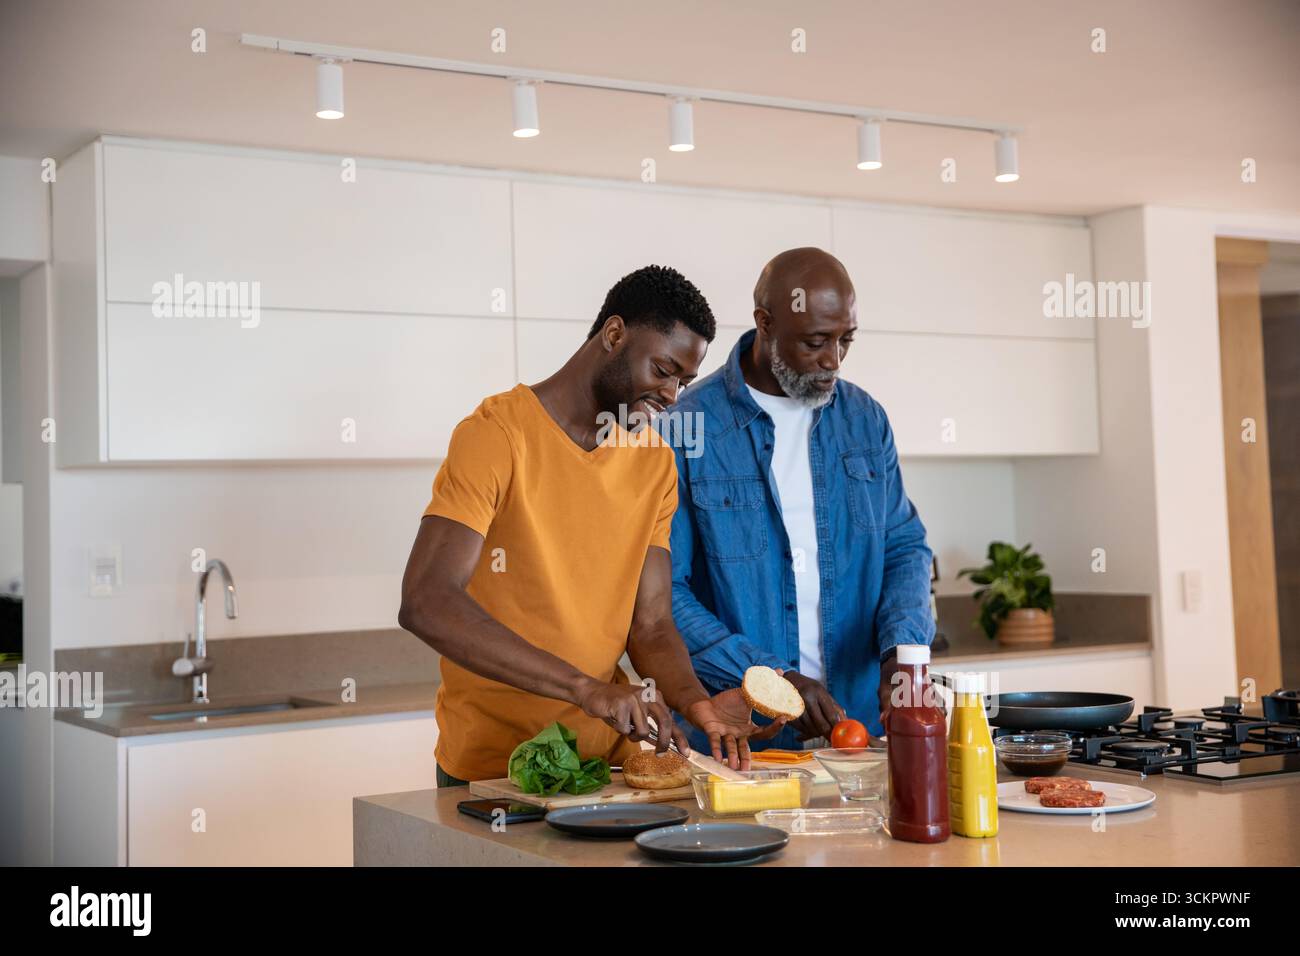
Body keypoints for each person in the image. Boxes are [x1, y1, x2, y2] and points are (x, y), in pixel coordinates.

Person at [399, 265, 781, 786]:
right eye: (663, 370)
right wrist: (583, 687)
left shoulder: (654, 463)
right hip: (494, 771)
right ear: (615, 334)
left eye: (684, 382)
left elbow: (650, 624)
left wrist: (694, 702)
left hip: (605, 766)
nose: (672, 396)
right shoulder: (496, 435)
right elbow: (427, 599)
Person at [667, 247, 935, 752]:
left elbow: (904, 547)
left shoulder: (864, 419)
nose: (832, 360)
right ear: (764, 324)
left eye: (845, 340)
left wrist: (902, 653)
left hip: (855, 737)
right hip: (739, 738)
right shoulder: (687, 425)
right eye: (815, 342)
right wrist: (773, 678)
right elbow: (664, 594)